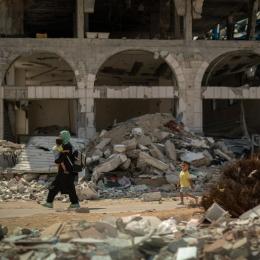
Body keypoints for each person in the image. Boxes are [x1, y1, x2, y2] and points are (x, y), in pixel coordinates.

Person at [42, 130, 80, 209]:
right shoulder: (68, 145)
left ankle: (74, 203)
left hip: (66, 171)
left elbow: (60, 160)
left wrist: (57, 158)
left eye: (60, 135)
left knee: (59, 186)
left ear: (64, 137)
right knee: (61, 186)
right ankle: (49, 202)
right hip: (67, 171)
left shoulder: (66, 147)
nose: (59, 137)